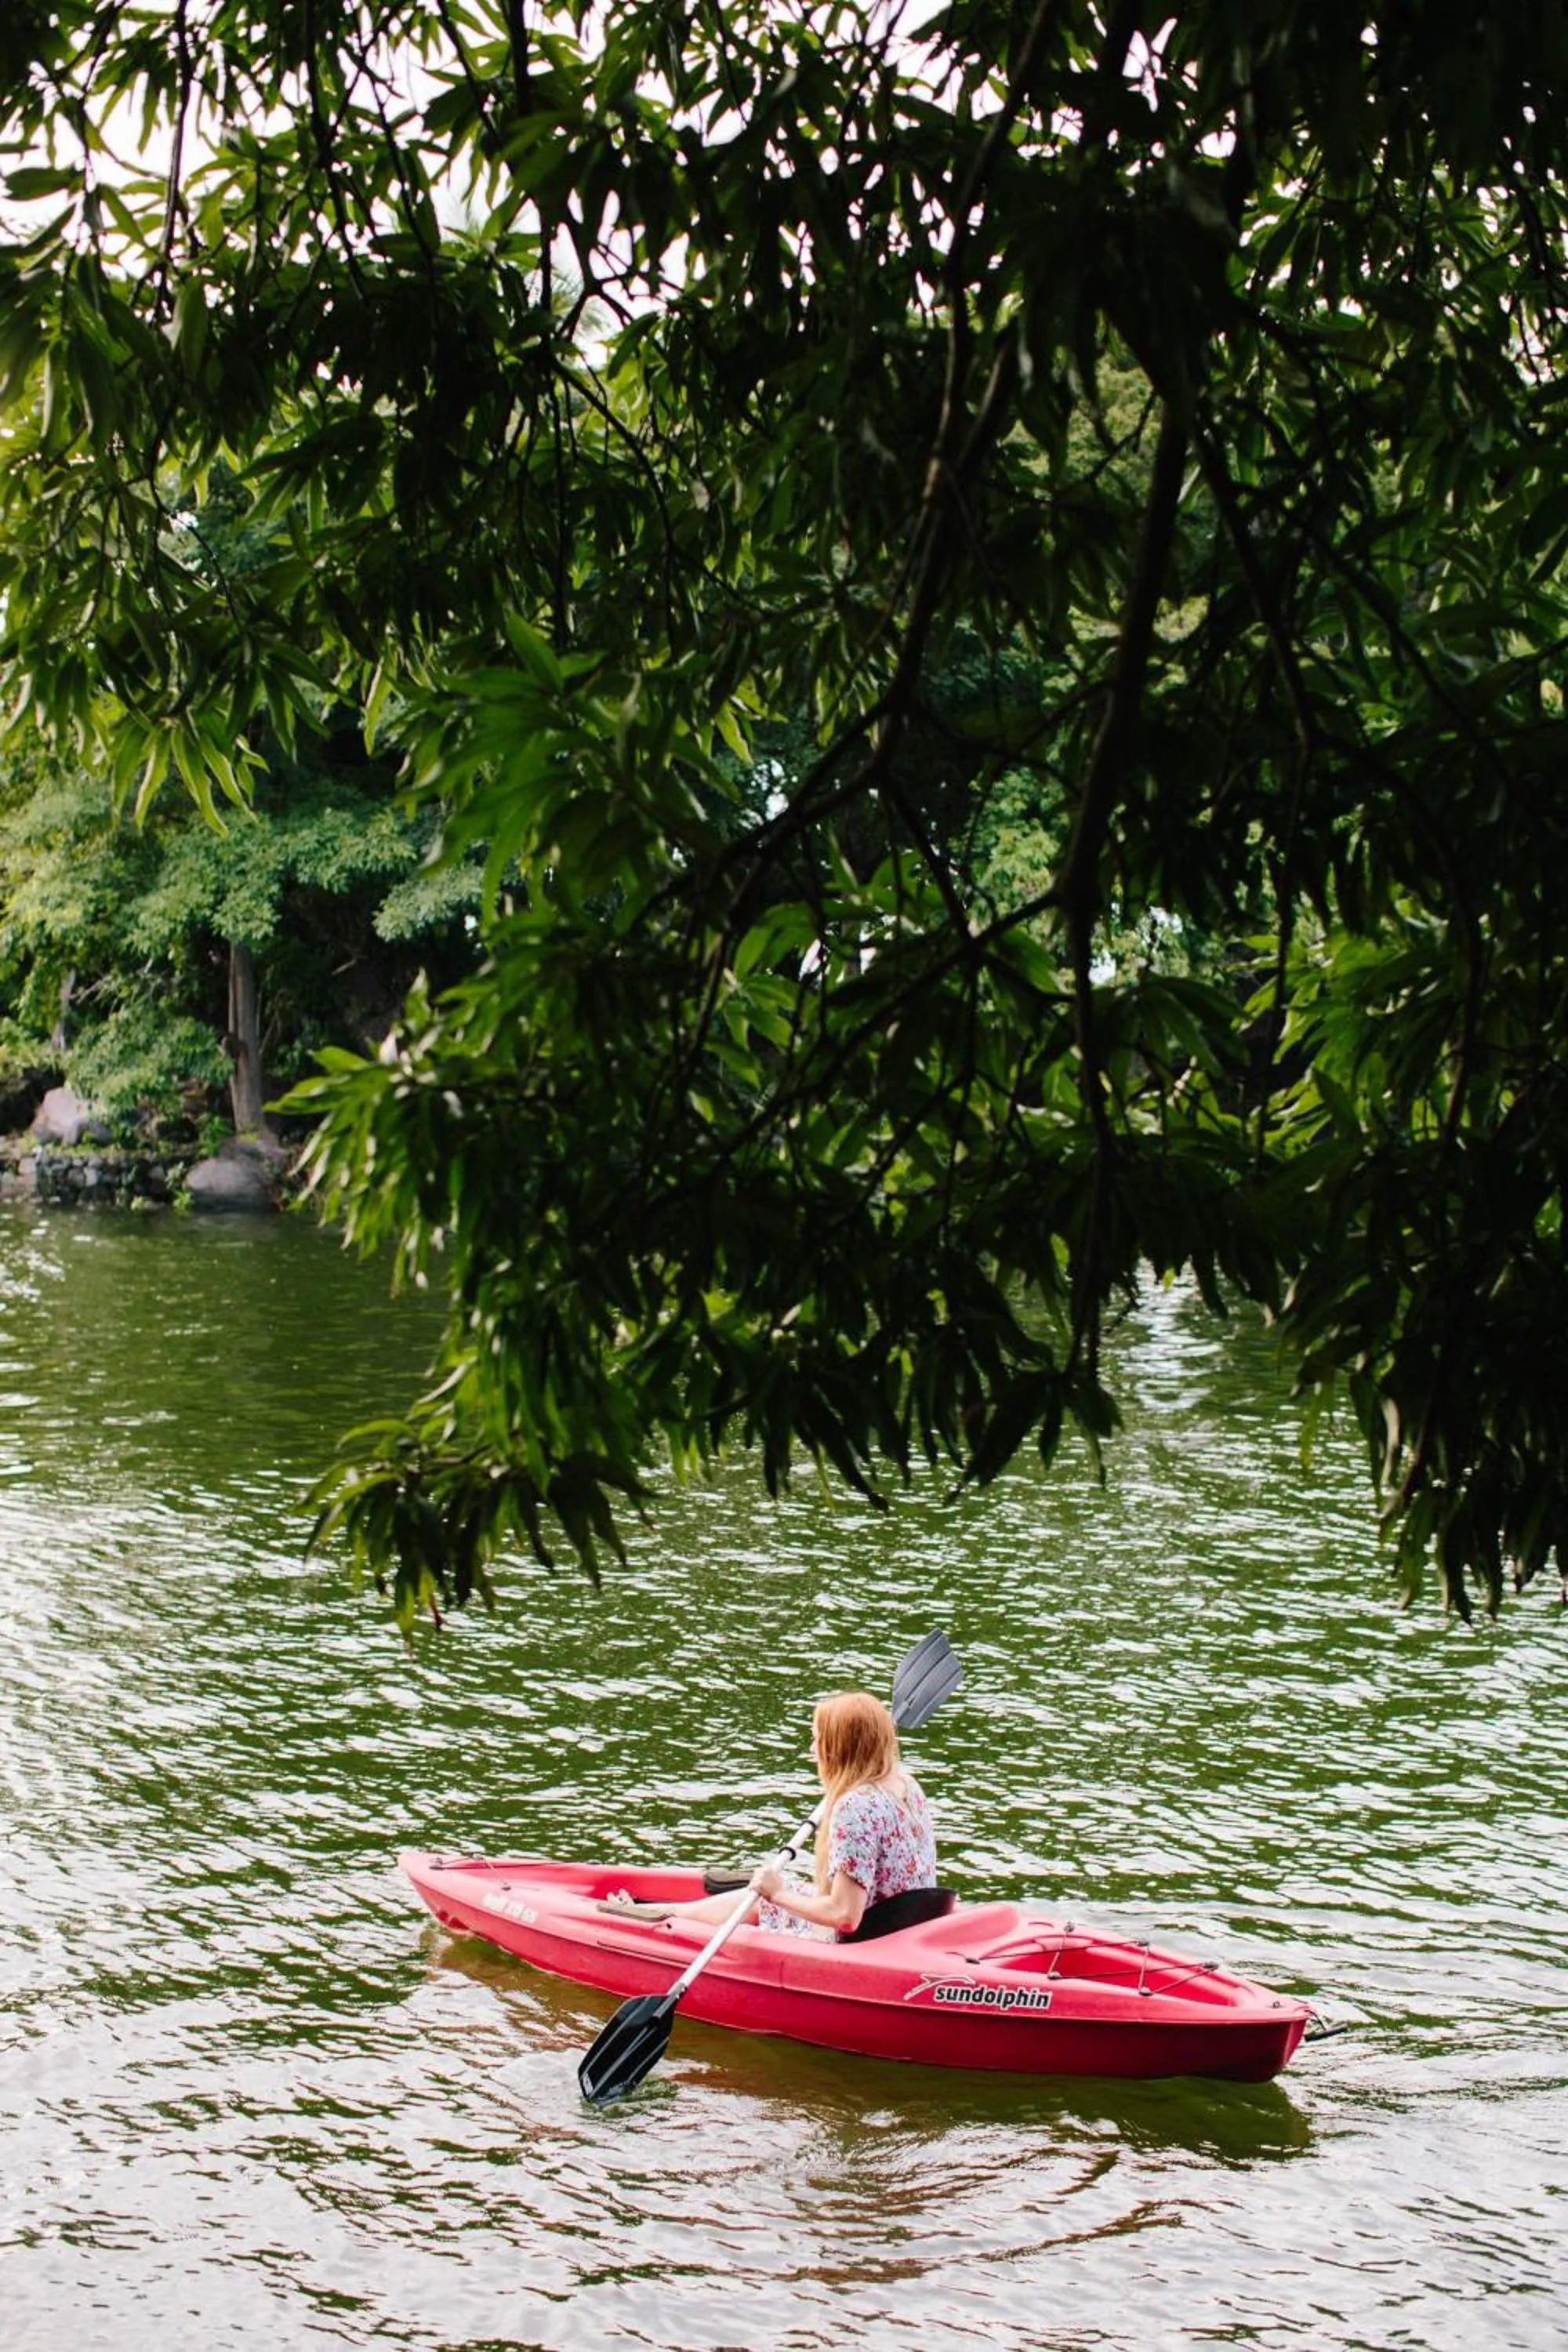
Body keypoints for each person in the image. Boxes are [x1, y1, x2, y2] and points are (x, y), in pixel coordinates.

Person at [596, 1690, 937, 1940]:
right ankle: (671, 1909)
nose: (812, 1750)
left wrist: (776, 1895)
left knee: (764, 1901)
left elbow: (845, 1916)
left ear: (837, 1749)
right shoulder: (906, 1785)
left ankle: (665, 1914)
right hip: (902, 1926)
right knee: (784, 1889)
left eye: (817, 1741)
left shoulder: (855, 1807)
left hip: (863, 1939)